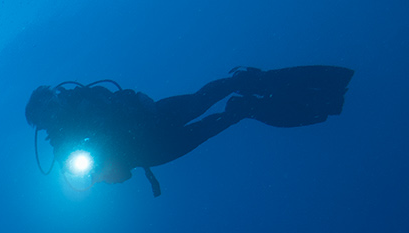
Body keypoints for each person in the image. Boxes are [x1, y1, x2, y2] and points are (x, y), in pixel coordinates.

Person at [24, 65, 354, 196]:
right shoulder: (64, 149)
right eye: (46, 112)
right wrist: (96, 170)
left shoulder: (84, 96)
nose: (54, 109)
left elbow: (119, 97)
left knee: (201, 99)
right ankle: (243, 107)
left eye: (52, 101)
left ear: (55, 95)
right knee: (215, 123)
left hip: (153, 120)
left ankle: (244, 82)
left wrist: (129, 109)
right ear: (43, 123)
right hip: (151, 150)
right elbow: (114, 176)